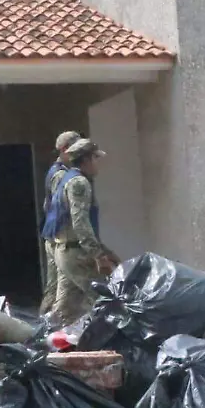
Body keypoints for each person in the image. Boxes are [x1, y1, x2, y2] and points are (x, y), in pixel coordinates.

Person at [44, 138, 122, 324]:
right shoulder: (79, 183)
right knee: (104, 297)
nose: (98, 164)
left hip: (66, 252)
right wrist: (98, 255)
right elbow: (80, 223)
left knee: (64, 309)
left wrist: (106, 251)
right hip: (76, 254)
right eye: (95, 158)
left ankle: (44, 340)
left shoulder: (67, 179)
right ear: (86, 159)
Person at [39, 131, 81, 315]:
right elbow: (59, 207)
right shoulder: (60, 175)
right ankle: (48, 326)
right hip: (59, 240)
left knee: (57, 288)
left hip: (55, 237)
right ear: (64, 150)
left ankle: (47, 324)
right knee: (60, 290)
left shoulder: (57, 172)